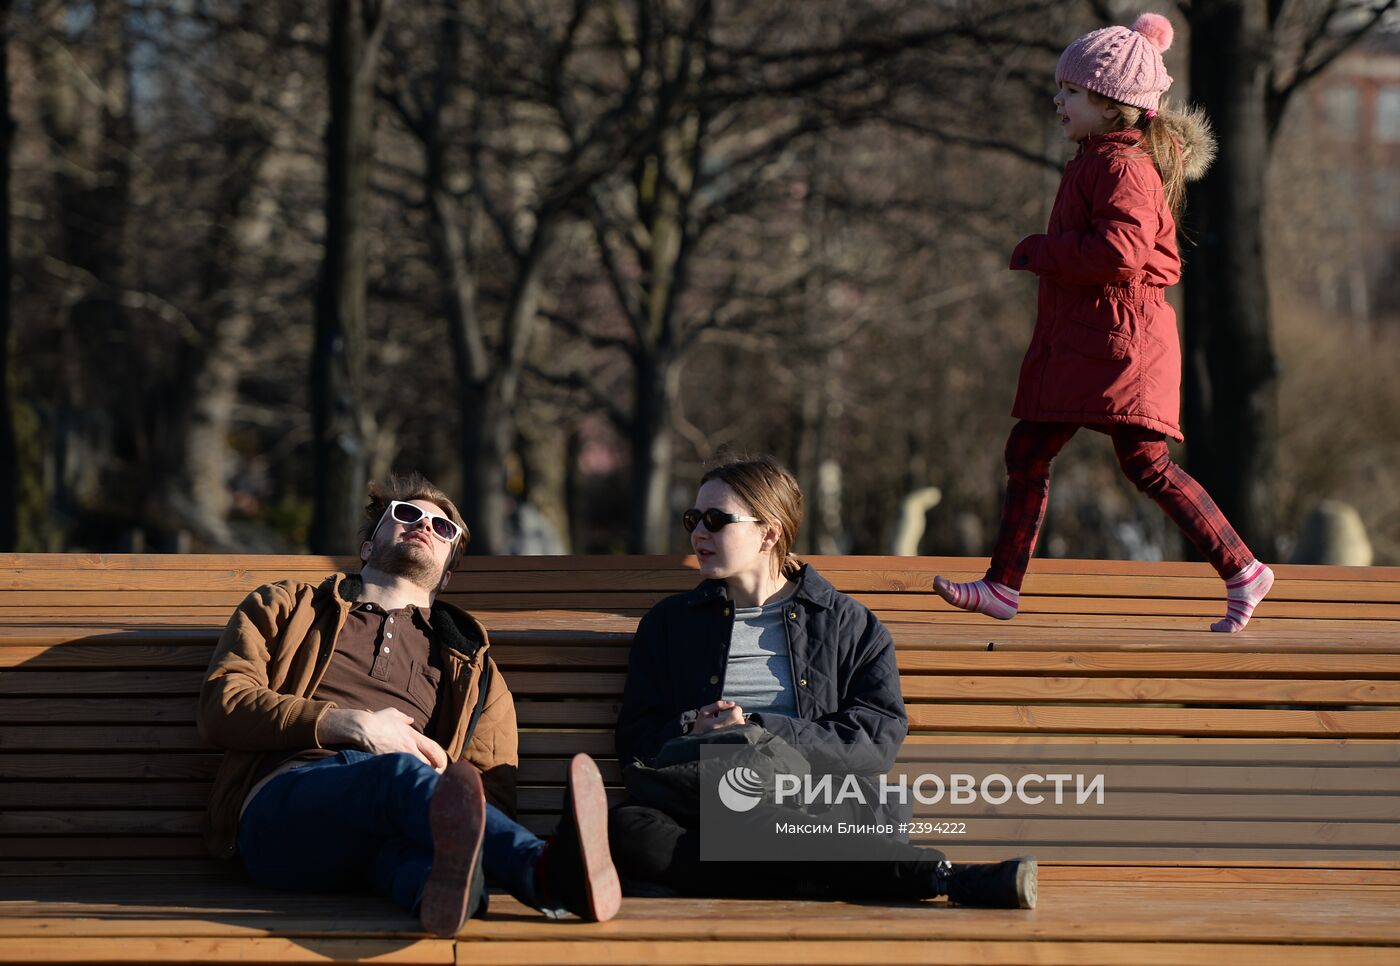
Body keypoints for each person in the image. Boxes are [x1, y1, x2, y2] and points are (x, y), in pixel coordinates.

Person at [934, 12, 1274, 633]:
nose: (1057, 101)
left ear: (1112, 104)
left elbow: (1121, 253)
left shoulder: (1123, 167)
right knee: (1030, 449)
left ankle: (1244, 569)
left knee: (1144, 464)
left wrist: (1040, 250)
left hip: (1122, 342)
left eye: (1071, 93)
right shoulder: (1101, 157)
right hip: (1093, 337)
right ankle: (1003, 587)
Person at [198, 472, 620, 936]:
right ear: (366, 546)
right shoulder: (287, 605)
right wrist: (349, 724)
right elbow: (224, 702)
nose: (423, 525)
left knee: (423, 870)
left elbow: (489, 794)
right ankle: (545, 875)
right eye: (406, 514)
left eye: (443, 529)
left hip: (393, 835)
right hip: (285, 815)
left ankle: (449, 896)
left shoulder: (474, 669)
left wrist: (439, 779)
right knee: (396, 775)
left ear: (449, 571)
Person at [611, 455, 1037, 908]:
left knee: (754, 824)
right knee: (628, 829)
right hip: (702, 796)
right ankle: (861, 876)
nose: (698, 533)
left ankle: (932, 877)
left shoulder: (847, 624)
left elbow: (877, 738)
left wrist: (760, 728)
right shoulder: (669, 625)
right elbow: (635, 739)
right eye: (693, 519)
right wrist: (690, 729)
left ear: (770, 533)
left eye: (716, 520)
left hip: (811, 801)